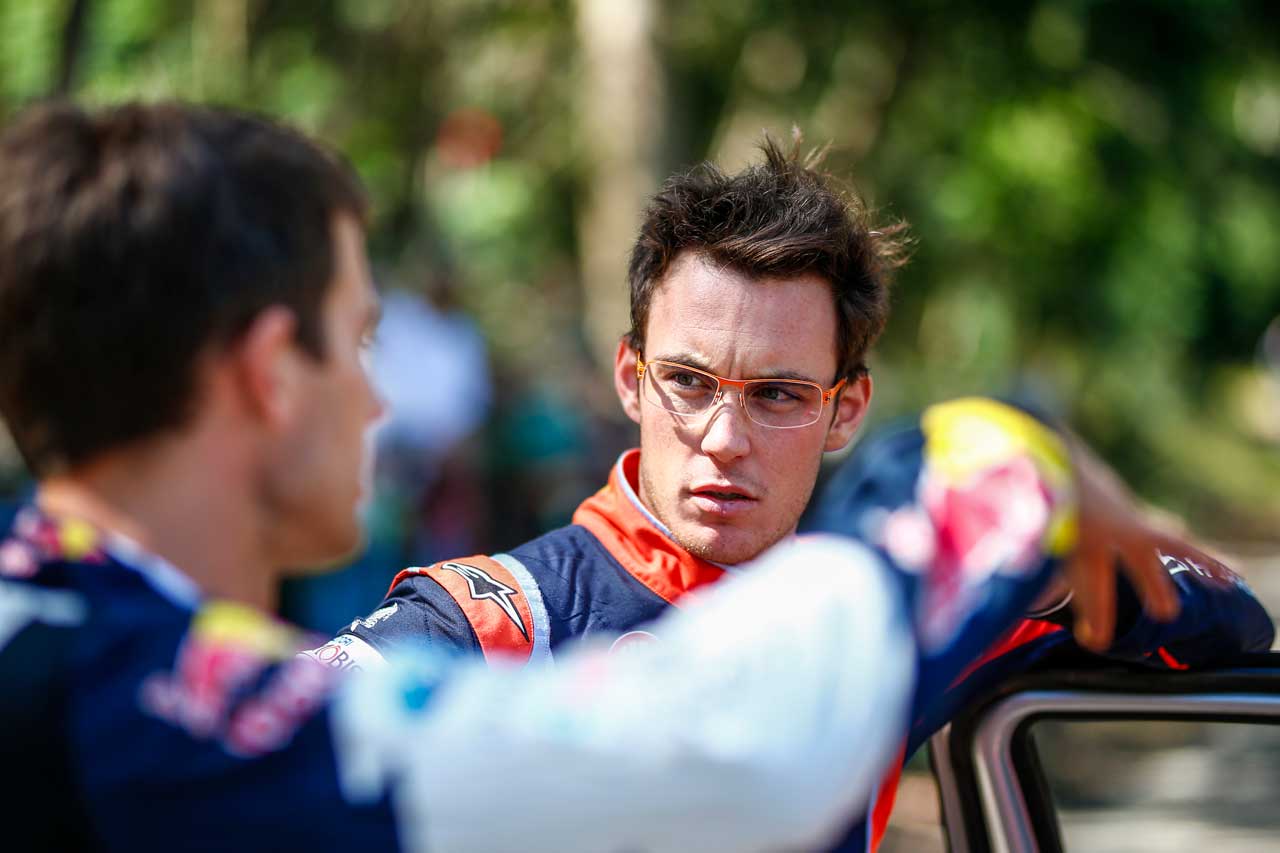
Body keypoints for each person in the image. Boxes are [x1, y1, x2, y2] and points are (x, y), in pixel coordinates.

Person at [0, 100, 1171, 852]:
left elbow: (1197, 614)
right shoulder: (177, 710)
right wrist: (1004, 449)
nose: (380, 399)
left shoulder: (71, 647)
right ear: (270, 372)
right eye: (360, 340)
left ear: (840, 406)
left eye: (778, 392)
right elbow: (745, 746)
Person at [325, 139, 1276, 850]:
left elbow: (1226, 622)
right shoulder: (494, 615)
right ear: (629, 379)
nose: (724, 437)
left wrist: (1048, 570)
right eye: (688, 381)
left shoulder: (894, 607)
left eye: (777, 395)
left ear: (846, 409)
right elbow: (290, 740)